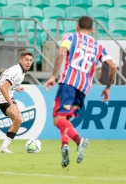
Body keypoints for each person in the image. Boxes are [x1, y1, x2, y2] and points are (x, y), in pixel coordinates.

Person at [44, 16, 117, 168]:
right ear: (92, 30)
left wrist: (53, 76)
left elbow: (61, 53)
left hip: (68, 83)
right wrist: (108, 87)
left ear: (77, 27)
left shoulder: (70, 37)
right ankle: (64, 146)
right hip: (83, 89)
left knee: (57, 119)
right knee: (66, 120)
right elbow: (113, 66)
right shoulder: (99, 46)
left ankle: (79, 141)